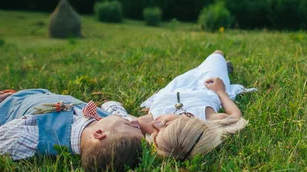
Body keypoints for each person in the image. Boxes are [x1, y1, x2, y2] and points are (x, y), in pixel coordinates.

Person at [0, 73, 143, 172]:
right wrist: (135, 124)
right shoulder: (101, 123)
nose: (130, 121)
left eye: (129, 125)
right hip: (26, 97)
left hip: (0, 109)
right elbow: (114, 105)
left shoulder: (32, 136)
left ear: (100, 134)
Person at [105, 50, 255, 161]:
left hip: (175, 87)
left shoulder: (150, 125)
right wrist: (221, 91)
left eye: (155, 134)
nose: (156, 124)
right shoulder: (207, 118)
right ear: (189, 118)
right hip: (207, 86)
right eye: (164, 124)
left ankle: (218, 68)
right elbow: (236, 117)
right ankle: (224, 70)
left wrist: (121, 116)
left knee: (196, 69)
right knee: (217, 54)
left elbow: (123, 119)